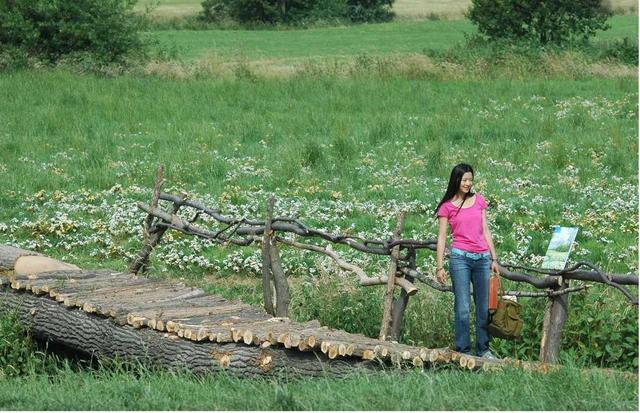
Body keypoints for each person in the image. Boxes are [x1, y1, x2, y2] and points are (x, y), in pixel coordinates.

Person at [434, 163, 499, 359]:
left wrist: (494, 258)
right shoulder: (446, 207)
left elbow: (486, 230)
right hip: (460, 258)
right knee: (462, 307)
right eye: (464, 180)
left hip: (482, 259)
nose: (468, 183)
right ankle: (463, 351)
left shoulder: (479, 201)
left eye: (470, 180)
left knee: (483, 307)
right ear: (456, 180)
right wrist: (439, 266)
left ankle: (483, 349)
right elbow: (442, 238)